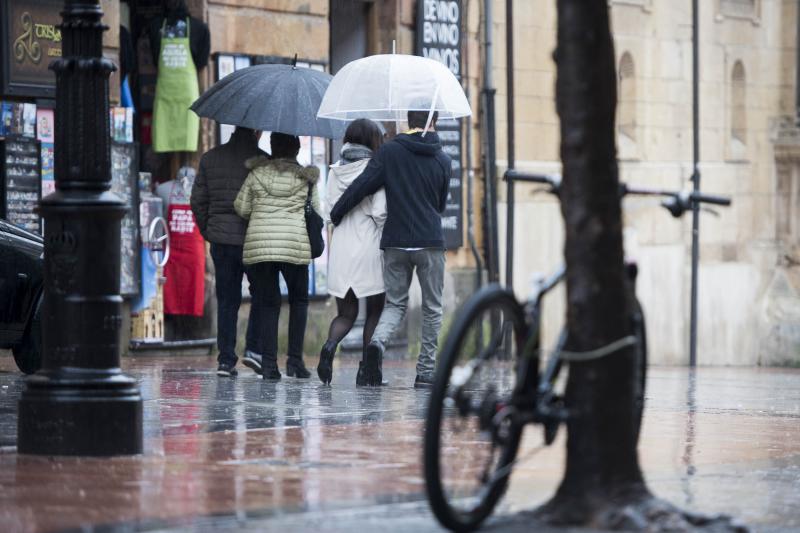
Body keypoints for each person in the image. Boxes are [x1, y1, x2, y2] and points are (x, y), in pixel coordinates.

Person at [330, 109, 451, 388]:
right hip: (430, 242)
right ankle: (425, 373)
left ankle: (378, 343)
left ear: (410, 121)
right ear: (433, 123)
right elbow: (441, 206)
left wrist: (337, 212)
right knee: (432, 308)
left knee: (395, 304)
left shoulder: (390, 152)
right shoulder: (443, 160)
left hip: (395, 241)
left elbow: (363, 185)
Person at [234, 133, 320, 380]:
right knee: (299, 302)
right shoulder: (306, 179)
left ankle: (270, 366)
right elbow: (317, 212)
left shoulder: (256, 174)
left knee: (268, 303)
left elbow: (241, 207)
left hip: (260, 244)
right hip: (294, 244)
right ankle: (295, 362)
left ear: (271, 148)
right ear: (296, 149)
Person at [190, 127, 267, 377]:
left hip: (221, 241)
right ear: (256, 132)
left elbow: (197, 200)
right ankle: (254, 350)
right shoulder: (263, 161)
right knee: (261, 295)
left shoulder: (210, 158)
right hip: (253, 239)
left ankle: (225, 360)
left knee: (226, 300)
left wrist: (209, 231)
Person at [317, 119, 387, 385]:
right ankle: (367, 370)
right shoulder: (375, 169)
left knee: (346, 313)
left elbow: (329, 209)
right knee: (375, 311)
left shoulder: (335, 171)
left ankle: (329, 345)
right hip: (368, 245)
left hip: (342, 247)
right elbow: (380, 212)